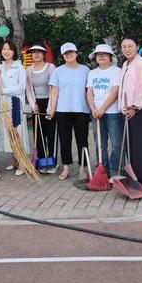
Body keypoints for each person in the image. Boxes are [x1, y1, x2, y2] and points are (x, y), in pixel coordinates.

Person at [47, 42, 90, 181]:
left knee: (82, 140)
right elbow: (54, 92)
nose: (69, 55)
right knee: (64, 140)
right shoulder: (58, 71)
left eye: (71, 52)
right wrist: (52, 110)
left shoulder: (86, 70)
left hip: (81, 109)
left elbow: (89, 91)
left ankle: (84, 167)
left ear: (76, 53)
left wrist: (93, 109)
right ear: (62, 55)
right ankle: (66, 167)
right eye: (66, 53)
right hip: (62, 110)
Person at [119, 35, 142, 192]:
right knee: (131, 147)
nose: (127, 49)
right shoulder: (125, 63)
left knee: (141, 147)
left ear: (137, 46)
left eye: (130, 46)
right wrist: (124, 107)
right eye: (124, 46)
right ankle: (135, 179)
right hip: (127, 111)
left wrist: (135, 107)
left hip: (139, 111)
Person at [86, 44, 123, 178]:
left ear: (110, 57)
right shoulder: (92, 73)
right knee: (100, 144)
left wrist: (102, 108)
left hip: (113, 113)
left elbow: (115, 92)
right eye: (98, 54)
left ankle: (115, 171)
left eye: (104, 54)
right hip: (96, 113)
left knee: (116, 144)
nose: (101, 56)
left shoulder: (116, 71)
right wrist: (93, 109)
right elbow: (89, 92)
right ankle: (103, 170)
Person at [0, 40, 28, 175]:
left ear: (14, 51)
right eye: (4, 49)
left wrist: (6, 90)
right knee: (9, 134)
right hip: (4, 104)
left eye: (9, 49)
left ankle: (22, 163)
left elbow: (21, 87)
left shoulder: (20, 68)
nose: (6, 51)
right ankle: (13, 161)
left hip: (15, 105)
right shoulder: (0, 67)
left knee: (18, 133)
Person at [25, 44, 57, 174]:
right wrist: (33, 105)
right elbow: (28, 89)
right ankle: (42, 161)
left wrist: (51, 107)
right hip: (36, 105)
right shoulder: (28, 70)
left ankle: (52, 162)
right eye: (34, 52)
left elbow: (54, 88)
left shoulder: (51, 68)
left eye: (39, 52)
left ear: (44, 54)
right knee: (38, 135)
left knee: (50, 133)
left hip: (50, 103)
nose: (36, 55)